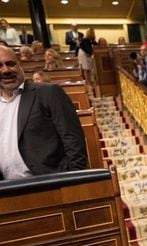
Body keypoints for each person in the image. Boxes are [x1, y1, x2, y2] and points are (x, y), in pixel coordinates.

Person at [0, 45, 87, 180]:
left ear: (19, 65)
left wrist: (75, 182)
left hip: (51, 184)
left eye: (10, 64)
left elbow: (73, 140)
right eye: (0, 66)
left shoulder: (48, 93)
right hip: (8, 191)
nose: (5, 70)